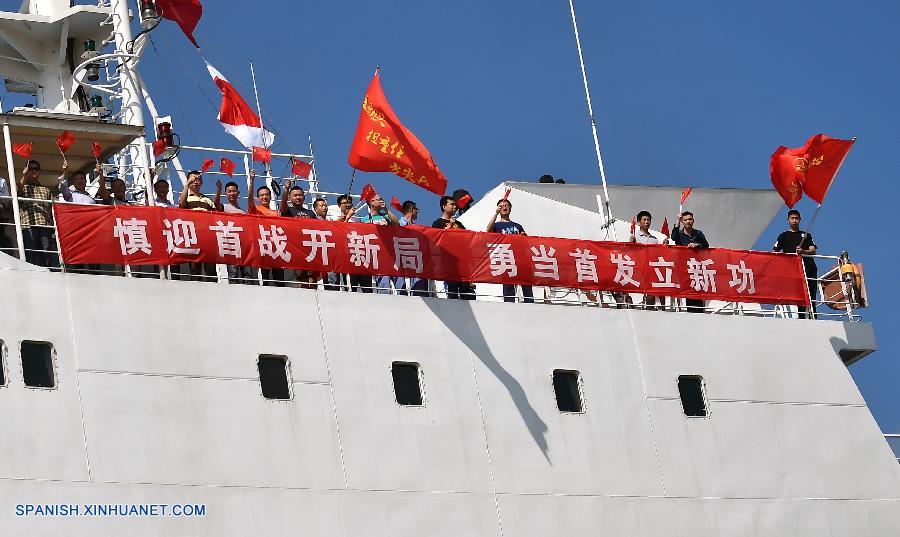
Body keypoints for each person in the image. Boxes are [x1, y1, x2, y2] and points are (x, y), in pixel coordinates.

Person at [486, 198, 533, 304]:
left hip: (521, 258)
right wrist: (495, 214)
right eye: (502, 206)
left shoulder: (517, 226)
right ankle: (509, 306)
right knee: (508, 288)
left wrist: (524, 236)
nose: (505, 207)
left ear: (510, 208)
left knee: (526, 287)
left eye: (507, 205)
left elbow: (526, 241)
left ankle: (530, 304)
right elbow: (488, 231)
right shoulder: (497, 225)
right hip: (506, 258)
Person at [773, 209, 818, 319]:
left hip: (809, 267)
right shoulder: (783, 236)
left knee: (812, 294)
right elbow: (774, 252)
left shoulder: (806, 235)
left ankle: (814, 317)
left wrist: (803, 251)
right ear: (788, 220)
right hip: (794, 270)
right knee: (799, 294)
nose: (794, 220)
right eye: (792, 218)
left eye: (796, 218)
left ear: (800, 220)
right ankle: (802, 318)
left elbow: (813, 250)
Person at [176, 170, 217, 281]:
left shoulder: (207, 200)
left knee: (211, 268)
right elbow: (181, 205)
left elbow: (215, 216)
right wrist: (186, 186)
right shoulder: (186, 197)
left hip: (207, 236)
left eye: (198, 179)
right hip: (193, 235)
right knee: (195, 267)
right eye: (192, 179)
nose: (195, 181)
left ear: (202, 182)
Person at [432, 196, 475, 300]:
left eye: (455, 204)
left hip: (463, 264)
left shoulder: (459, 224)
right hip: (448, 263)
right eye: (452, 204)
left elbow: (467, 241)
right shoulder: (437, 223)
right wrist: (449, 226)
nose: (455, 207)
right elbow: (436, 240)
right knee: (452, 292)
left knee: (466, 293)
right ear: (444, 206)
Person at [214, 180, 256, 284]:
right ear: (226, 194)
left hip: (244, 244)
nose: (232, 193)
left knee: (247, 273)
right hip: (231, 244)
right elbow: (216, 204)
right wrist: (218, 190)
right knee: (233, 273)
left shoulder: (243, 212)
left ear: (238, 193)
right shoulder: (224, 207)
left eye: (234, 191)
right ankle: (234, 295)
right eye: (229, 191)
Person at [248, 171, 284, 285]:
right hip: (263, 246)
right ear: (258, 198)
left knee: (279, 278)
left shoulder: (276, 213)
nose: (264, 197)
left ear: (270, 196)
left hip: (276, 246)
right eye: (261, 195)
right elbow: (249, 200)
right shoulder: (255, 210)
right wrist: (252, 181)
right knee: (265, 277)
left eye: (266, 194)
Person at [17, 160, 56, 267]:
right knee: (31, 258)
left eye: (36, 169)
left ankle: (47, 281)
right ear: (26, 171)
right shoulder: (22, 186)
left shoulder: (46, 190)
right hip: (29, 227)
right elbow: (17, 191)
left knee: (46, 258)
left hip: (44, 227)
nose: (34, 170)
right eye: (31, 168)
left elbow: (52, 209)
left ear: (39, 171)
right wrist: (24, 177)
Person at [670, 210, 710, 313]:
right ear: (682, 221)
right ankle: (690, 312)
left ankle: (699, 312)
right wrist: (677, 221)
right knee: (689, 290)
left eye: (690, 219)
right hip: (684, 267)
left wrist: (697, 245)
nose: (688, 221)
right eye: (685, 220)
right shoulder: (679, 233)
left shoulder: (698, 233)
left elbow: (706, 245)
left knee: (698, 290)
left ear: (693, 220)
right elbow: (673, 237)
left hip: (697, 266)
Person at [359, 194, 398, 294]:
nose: (381, 201)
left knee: (399, 279)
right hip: (376, 254)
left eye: (382, 199)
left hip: (390, 252)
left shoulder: (386, 216)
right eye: (378, 199)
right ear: (371, 202)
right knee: (383, 281)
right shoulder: (364, 220)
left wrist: (386, 210)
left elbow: (396, 223)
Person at [394, 200, 430, 296]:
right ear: (411, 209)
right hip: (401, 256)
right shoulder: (398, 223)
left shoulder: (416, 227)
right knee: (401, 284)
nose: (417, 211)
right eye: (416, 209)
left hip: (414, 257)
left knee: (419, 284)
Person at [630, 210, 663, 309]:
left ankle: (649, 310)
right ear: (639, 222)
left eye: (648, 220)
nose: (646, 222)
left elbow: (658, 254)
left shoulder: (654, 239)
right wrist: (632, 244)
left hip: (651, 269)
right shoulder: (634, 237)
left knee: (651, 293)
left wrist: (664, 246)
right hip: (638, 268)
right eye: (644, 220)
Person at [324, 194, 356, 291]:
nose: (347, 204)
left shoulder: (356, 220)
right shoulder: (332, 218)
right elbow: (335, 231)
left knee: (350, 279)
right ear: (339, 206)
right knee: (334, 279)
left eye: (349, 202)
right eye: (344, 203)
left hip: (351, 251)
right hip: (336, 252)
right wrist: (346, 218)